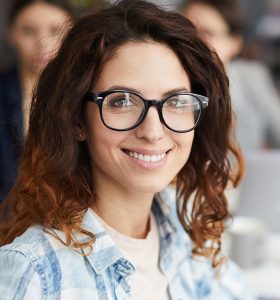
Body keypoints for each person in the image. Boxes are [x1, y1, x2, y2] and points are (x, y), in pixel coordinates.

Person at [0, 0, 254, 299]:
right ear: (78, 119)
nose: (153, 131)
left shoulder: (185, 231)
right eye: (121, 101)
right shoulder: (34, 271)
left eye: (176, 101)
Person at [181, 0, 280, 152]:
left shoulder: (252, 77)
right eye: (186, 31)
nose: (194, 41)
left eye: (207, 33)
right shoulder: (169, 82)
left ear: (235, 42)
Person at [0, 0, 74, 202]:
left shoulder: (82, 95)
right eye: (29, 31)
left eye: (55, 31)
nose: (44, 44)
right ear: (11, 34)